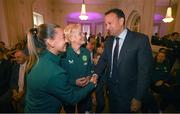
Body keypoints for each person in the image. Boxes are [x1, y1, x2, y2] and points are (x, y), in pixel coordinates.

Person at [24, 24, 97, 113]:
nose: (67, 40)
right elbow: (72, 98)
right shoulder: (54, 72)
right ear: (51, 42)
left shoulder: (39, 59)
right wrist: (92, 83)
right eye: (63, 37)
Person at [95, 8, 153, 112]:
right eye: (105, 24)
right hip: (111, 91)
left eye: (109, 23)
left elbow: (144, 71)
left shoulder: (140, 40)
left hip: (129, 94)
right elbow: (103, 60)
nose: (107, 27)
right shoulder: (109, 41)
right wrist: (96, 74)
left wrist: (138, 97)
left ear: (121, 21)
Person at [62, 24, 96, 113]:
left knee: (83, 111)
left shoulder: (86, 52)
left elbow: (90, 68)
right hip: (69, 92)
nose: (84, 35)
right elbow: (61, 76)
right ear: (71, 38)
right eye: (80, 33)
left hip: (84, 91)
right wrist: (74, 82)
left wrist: (89, 77)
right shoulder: (63, 54)